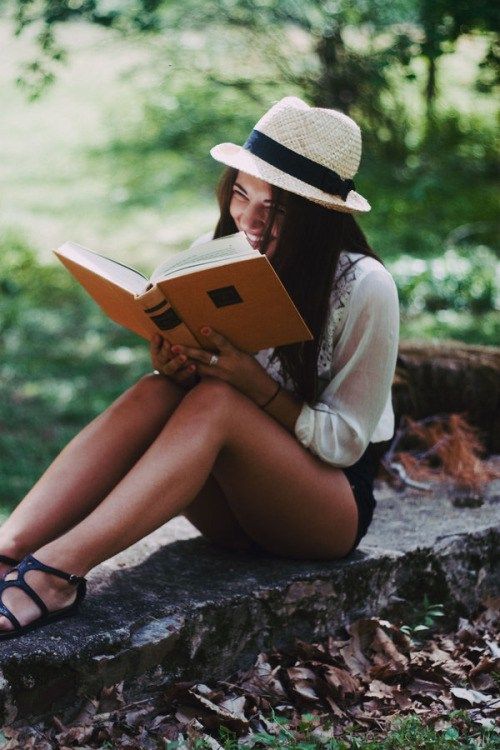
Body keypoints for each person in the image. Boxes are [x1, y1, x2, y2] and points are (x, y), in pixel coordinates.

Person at [0, 96, 399, 641]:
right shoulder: (215, 255)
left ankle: (57, 574)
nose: (250, 219)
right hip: (230, 507)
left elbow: (346, 444)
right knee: (156, 392)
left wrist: (251, 386)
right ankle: (9, 550)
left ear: (318, 217)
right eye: (241, 192)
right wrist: (177, 364)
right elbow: (193, 394)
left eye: (277, 208)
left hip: (324, 512)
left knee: (218, 403)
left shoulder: (363, 286)